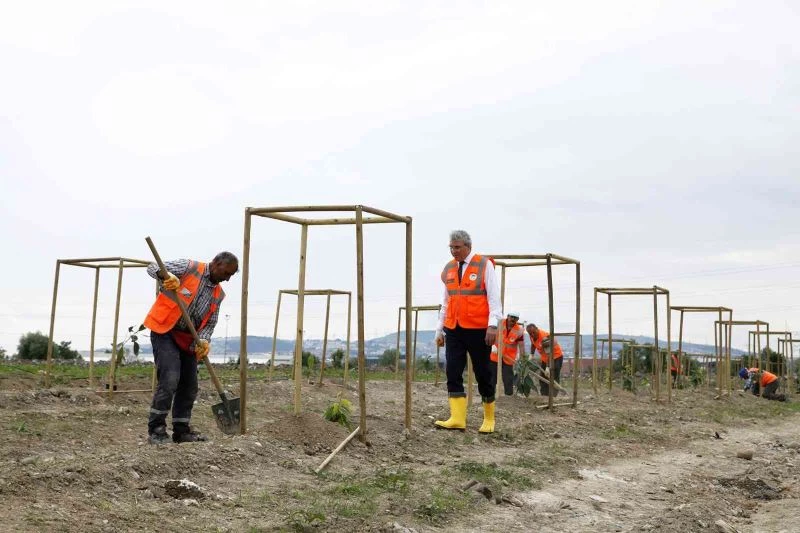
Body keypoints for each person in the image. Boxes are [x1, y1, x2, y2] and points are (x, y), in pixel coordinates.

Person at [143, 252, 239, 444]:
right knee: (170, 379)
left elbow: (210, 322)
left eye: (231, 276)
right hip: (166, 331)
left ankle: (181, 431)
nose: (227, 279)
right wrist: (167, 276)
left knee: (189, 385)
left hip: (189, 338)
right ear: (216, 263)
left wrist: (203, 340)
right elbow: (152, 266)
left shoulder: (218, 294)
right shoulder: (189, 267)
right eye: (227, 273)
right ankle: (156, 430)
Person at [434, 230, 502, 433]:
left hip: (479, 329)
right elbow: (446, 302)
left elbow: (494, 298)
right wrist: (440, 329)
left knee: (483, 373)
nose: (454, 251)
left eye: (457, 247)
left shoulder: (484, 265)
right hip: (453, 328)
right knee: (452, 371)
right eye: (451, 247)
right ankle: (457, 418)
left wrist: (493, 325)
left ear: (468, 247)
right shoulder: (448, 269)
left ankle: (489, 418)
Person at [490, 311, 525, 396]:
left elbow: (521, 345)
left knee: (508, 377)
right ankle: (490, 394)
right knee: (492, 376)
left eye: (515, 318)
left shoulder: (519, 330)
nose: (512, 319)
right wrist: (491, 346)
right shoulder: (499, 323)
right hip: (495, 354)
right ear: (508, 316)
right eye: (511, 317)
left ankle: (508, 396)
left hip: (508, 357)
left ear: (517, 319)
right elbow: (490, 334)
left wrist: (522, 357)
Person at [526, 323, 563, 397]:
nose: (532, 334)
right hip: (545, 358)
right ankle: (544, 396)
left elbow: (550, 354)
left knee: (553, 377)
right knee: (543, 377)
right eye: (530, 333)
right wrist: (531, 354)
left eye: (534, 332)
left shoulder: (544, 338)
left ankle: (553, 397)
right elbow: (533, 344)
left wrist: (548, 367)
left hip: (555, 357)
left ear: (537, 329)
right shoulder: (532, 336)